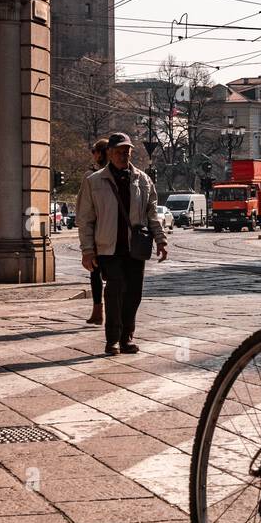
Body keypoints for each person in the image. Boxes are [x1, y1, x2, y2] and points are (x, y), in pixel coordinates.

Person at [77, 133, 168, 356]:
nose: (123, 155)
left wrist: (161, 240)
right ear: (109, 153)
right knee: (115, 289)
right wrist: (87, 251)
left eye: (126, 151)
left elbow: (152, 213)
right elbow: (85, 219)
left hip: (135, 248)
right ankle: (113, 339)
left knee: (134, 293)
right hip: (108, 247)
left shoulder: (143, 180)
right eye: (118, 151)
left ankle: (127, 337)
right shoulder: (94, 181)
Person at [77, 139, 109, 326]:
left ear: (99, 153)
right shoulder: (118, 174)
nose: (93, 155)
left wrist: (86, 247)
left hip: (98, 234)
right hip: (111, 233)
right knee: (107, 274)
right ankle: (102, 311)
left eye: (94, 151)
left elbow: (83, 211)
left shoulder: (91, 177)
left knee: (96, 273)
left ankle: (99, 310)